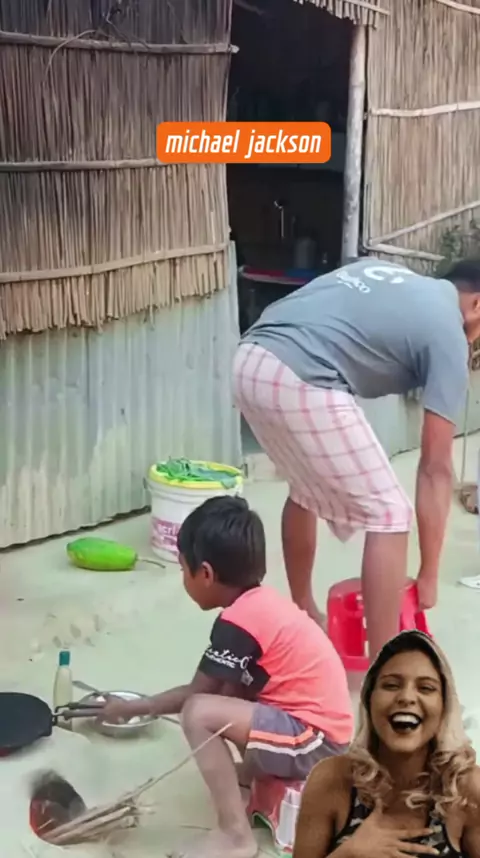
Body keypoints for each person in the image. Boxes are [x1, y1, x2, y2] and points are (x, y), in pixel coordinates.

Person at [234, 258, 480, 658]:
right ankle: (384, 670)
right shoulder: (449, 332)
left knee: (304, 487)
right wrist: (429, 574)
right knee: (390, 513)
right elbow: (435, 467)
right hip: (302, 375)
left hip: (249, 360)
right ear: (477, 304)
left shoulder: (384, 272)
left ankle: (303, 616)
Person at [101, 496, 354, 858]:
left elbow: (196, 696)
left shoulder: (239, 622)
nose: (184, 578)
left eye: (183, 569)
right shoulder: (261, 604)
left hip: (317, 743)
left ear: (205, 573)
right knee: (230, 696)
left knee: (198, 713)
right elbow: (227, 691)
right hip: (322, 734)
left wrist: (134, 708)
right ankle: (250, 780)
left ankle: (235, 836)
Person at [293, 630, 480, 858]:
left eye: (426, 688)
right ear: (369, 700)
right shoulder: (332, 779)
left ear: (444, 707)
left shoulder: (466, 789)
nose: (406, 697)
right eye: (391, 685)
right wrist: (348, 854)